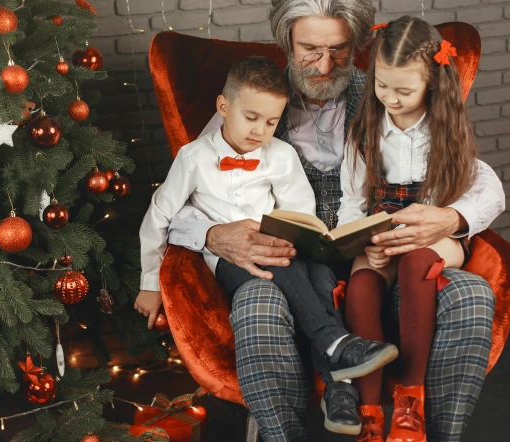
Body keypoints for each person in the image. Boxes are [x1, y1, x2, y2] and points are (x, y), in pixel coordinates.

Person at [168, 0, 505, 442]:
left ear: (359, 46)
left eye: (339, 50)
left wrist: (451, 218)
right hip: (289, 274)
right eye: (309, 50)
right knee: (257, 302)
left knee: (470, 295)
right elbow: (180, 197)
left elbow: (478, 176)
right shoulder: (257, 104)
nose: (324, 67)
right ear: (286, 40)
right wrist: (213, 234)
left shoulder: (384, 99)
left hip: (379, 263)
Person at [136, 57, 398, 435]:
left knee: (323, 274)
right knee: (284, 266)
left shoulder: (280, 154)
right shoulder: (193, 157)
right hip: (228, 261)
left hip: (278, 247)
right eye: (251, 117)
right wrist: (149, 283)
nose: (260, 130)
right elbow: (159, 215)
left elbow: (300, 210)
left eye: (271, 122)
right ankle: (335, 344)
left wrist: (301, 238)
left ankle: (338, 388)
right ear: (223, 107)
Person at [339, 15, 486, 442]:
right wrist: (367, 240)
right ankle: (369, 414)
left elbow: (471, 194)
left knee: (420, 260)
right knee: (362, 284)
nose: (391, 98)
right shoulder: (364, 131)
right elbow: (352, 202)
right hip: (385, 232)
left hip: (432, 233)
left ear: (431, 84)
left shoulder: (446, 132)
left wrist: (441, 223)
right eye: (382, 86)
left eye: (404, 90)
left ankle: (409, 402)